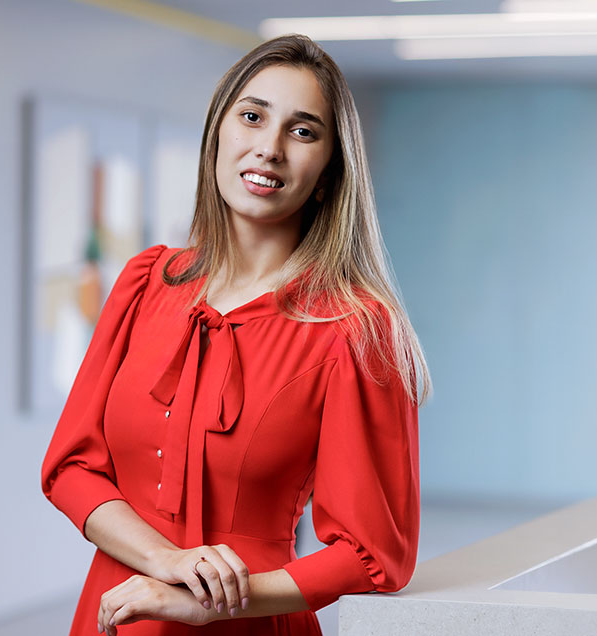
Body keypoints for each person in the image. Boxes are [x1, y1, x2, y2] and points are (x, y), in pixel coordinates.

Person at [41, 33, 431, 636]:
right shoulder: (145, 281)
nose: (269, 148)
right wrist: (164, 562)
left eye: (303, 132)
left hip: (249, 619)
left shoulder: (354, 327)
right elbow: (70, 467)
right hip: (117, 608)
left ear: (329, 172)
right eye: (252, 117)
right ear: (217, 136)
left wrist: (217, 599)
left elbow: (375, 555)